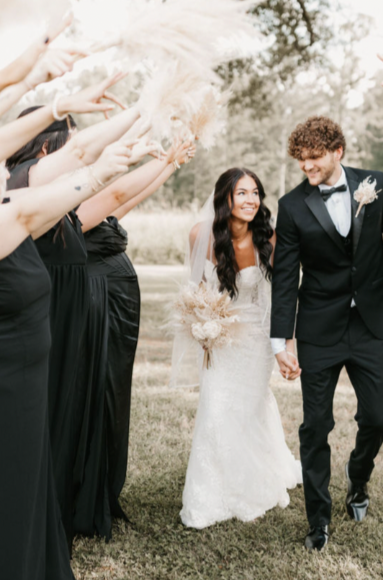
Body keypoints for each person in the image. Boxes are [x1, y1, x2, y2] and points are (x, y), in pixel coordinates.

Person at [270, 116, 383, 550]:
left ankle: (358, 480)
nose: (307, 166)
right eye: (301, 159)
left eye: (315, 157)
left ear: (338, 150)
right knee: (315, 426)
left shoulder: (375, 184)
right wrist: (280, 341)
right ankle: (318, 520)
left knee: (377, 418)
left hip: (371, 324)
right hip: (319, 327)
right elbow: (285, 278)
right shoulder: (292, 206)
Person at [0, 139, 137, 580]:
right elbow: (99, 182)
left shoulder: (16, 200)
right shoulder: (17, 208)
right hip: (16, 366)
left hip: (27, 365)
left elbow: (84, 162)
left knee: (28, 481)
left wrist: (149, 131)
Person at [73, 141, 195, 540]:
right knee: (99, 394)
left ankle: (106, 488)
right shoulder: (67, 211)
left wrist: (171, 164)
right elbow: (118, 192)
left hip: (116, 305)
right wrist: (164, 155)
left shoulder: (91, 207)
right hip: (98, 305)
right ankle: (86, 495)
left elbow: (131, 198)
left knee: (114, 395)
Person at [173, 167, 302, 530]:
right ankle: (209, 492)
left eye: (255, 193)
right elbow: (196, 290)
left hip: (257, 339)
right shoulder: (202, 235)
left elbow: (282, 297)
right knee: (215, 407)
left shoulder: (270, 240)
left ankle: (251, 483)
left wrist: (287, 346)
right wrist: (202, 324)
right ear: (225, 198)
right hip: (220, 338)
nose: (251, 200)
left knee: (248, 407)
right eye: (242, 193)